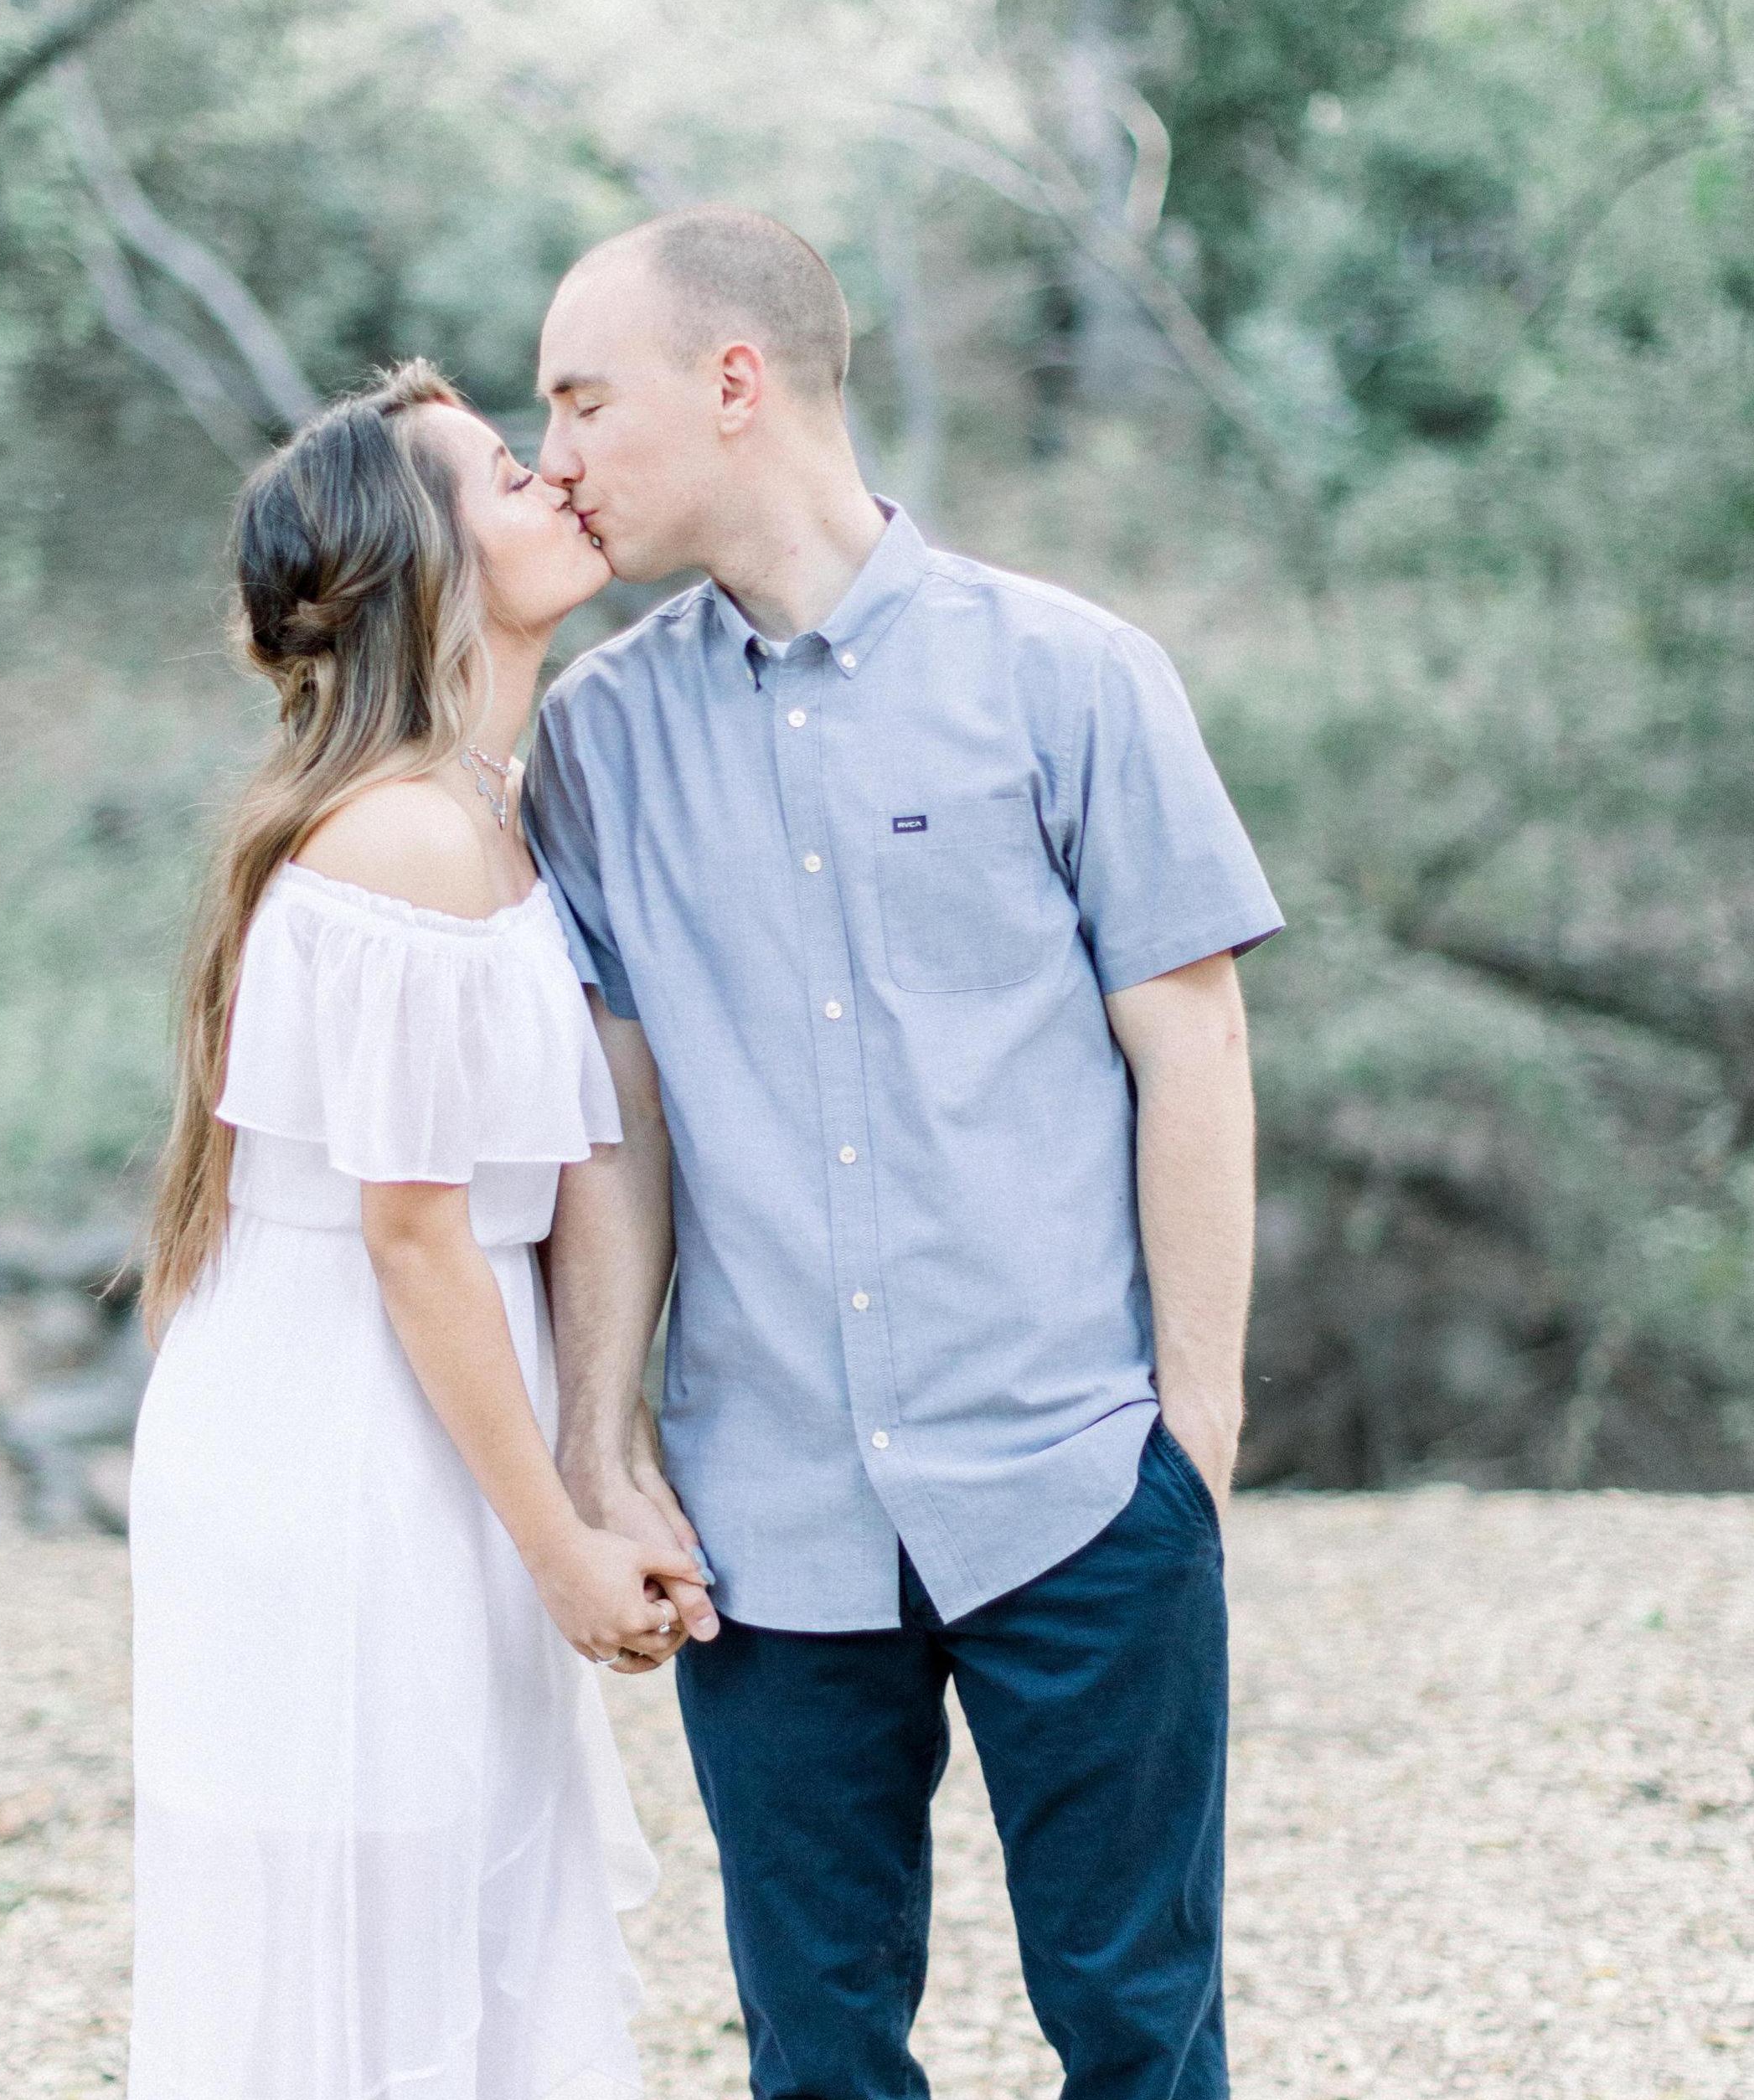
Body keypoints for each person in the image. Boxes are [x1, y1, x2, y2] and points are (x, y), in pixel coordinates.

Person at [523, 208, 1287, 2100]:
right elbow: (617, 1124)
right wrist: (600, 1443)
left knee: (1140, 2033)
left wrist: (1190, 1431)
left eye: (583, 401)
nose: (556, 457)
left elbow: (1191, 1044)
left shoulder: (1072, 675)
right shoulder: (595, 741)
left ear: (733, 382)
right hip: (763, 1522)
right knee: (817, 2057)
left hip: (1074, 1481)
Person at [126, 359, 714, 2100]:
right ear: (420, 565)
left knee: (458, 1906)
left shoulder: (485, 807)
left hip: (429, 1416)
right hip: (350, 1439)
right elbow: (415, 1239)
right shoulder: (402, 845)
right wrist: (561, 1545)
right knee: (374, 1930)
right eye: (504, 474)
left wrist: (603, 1463)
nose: (555, 480)